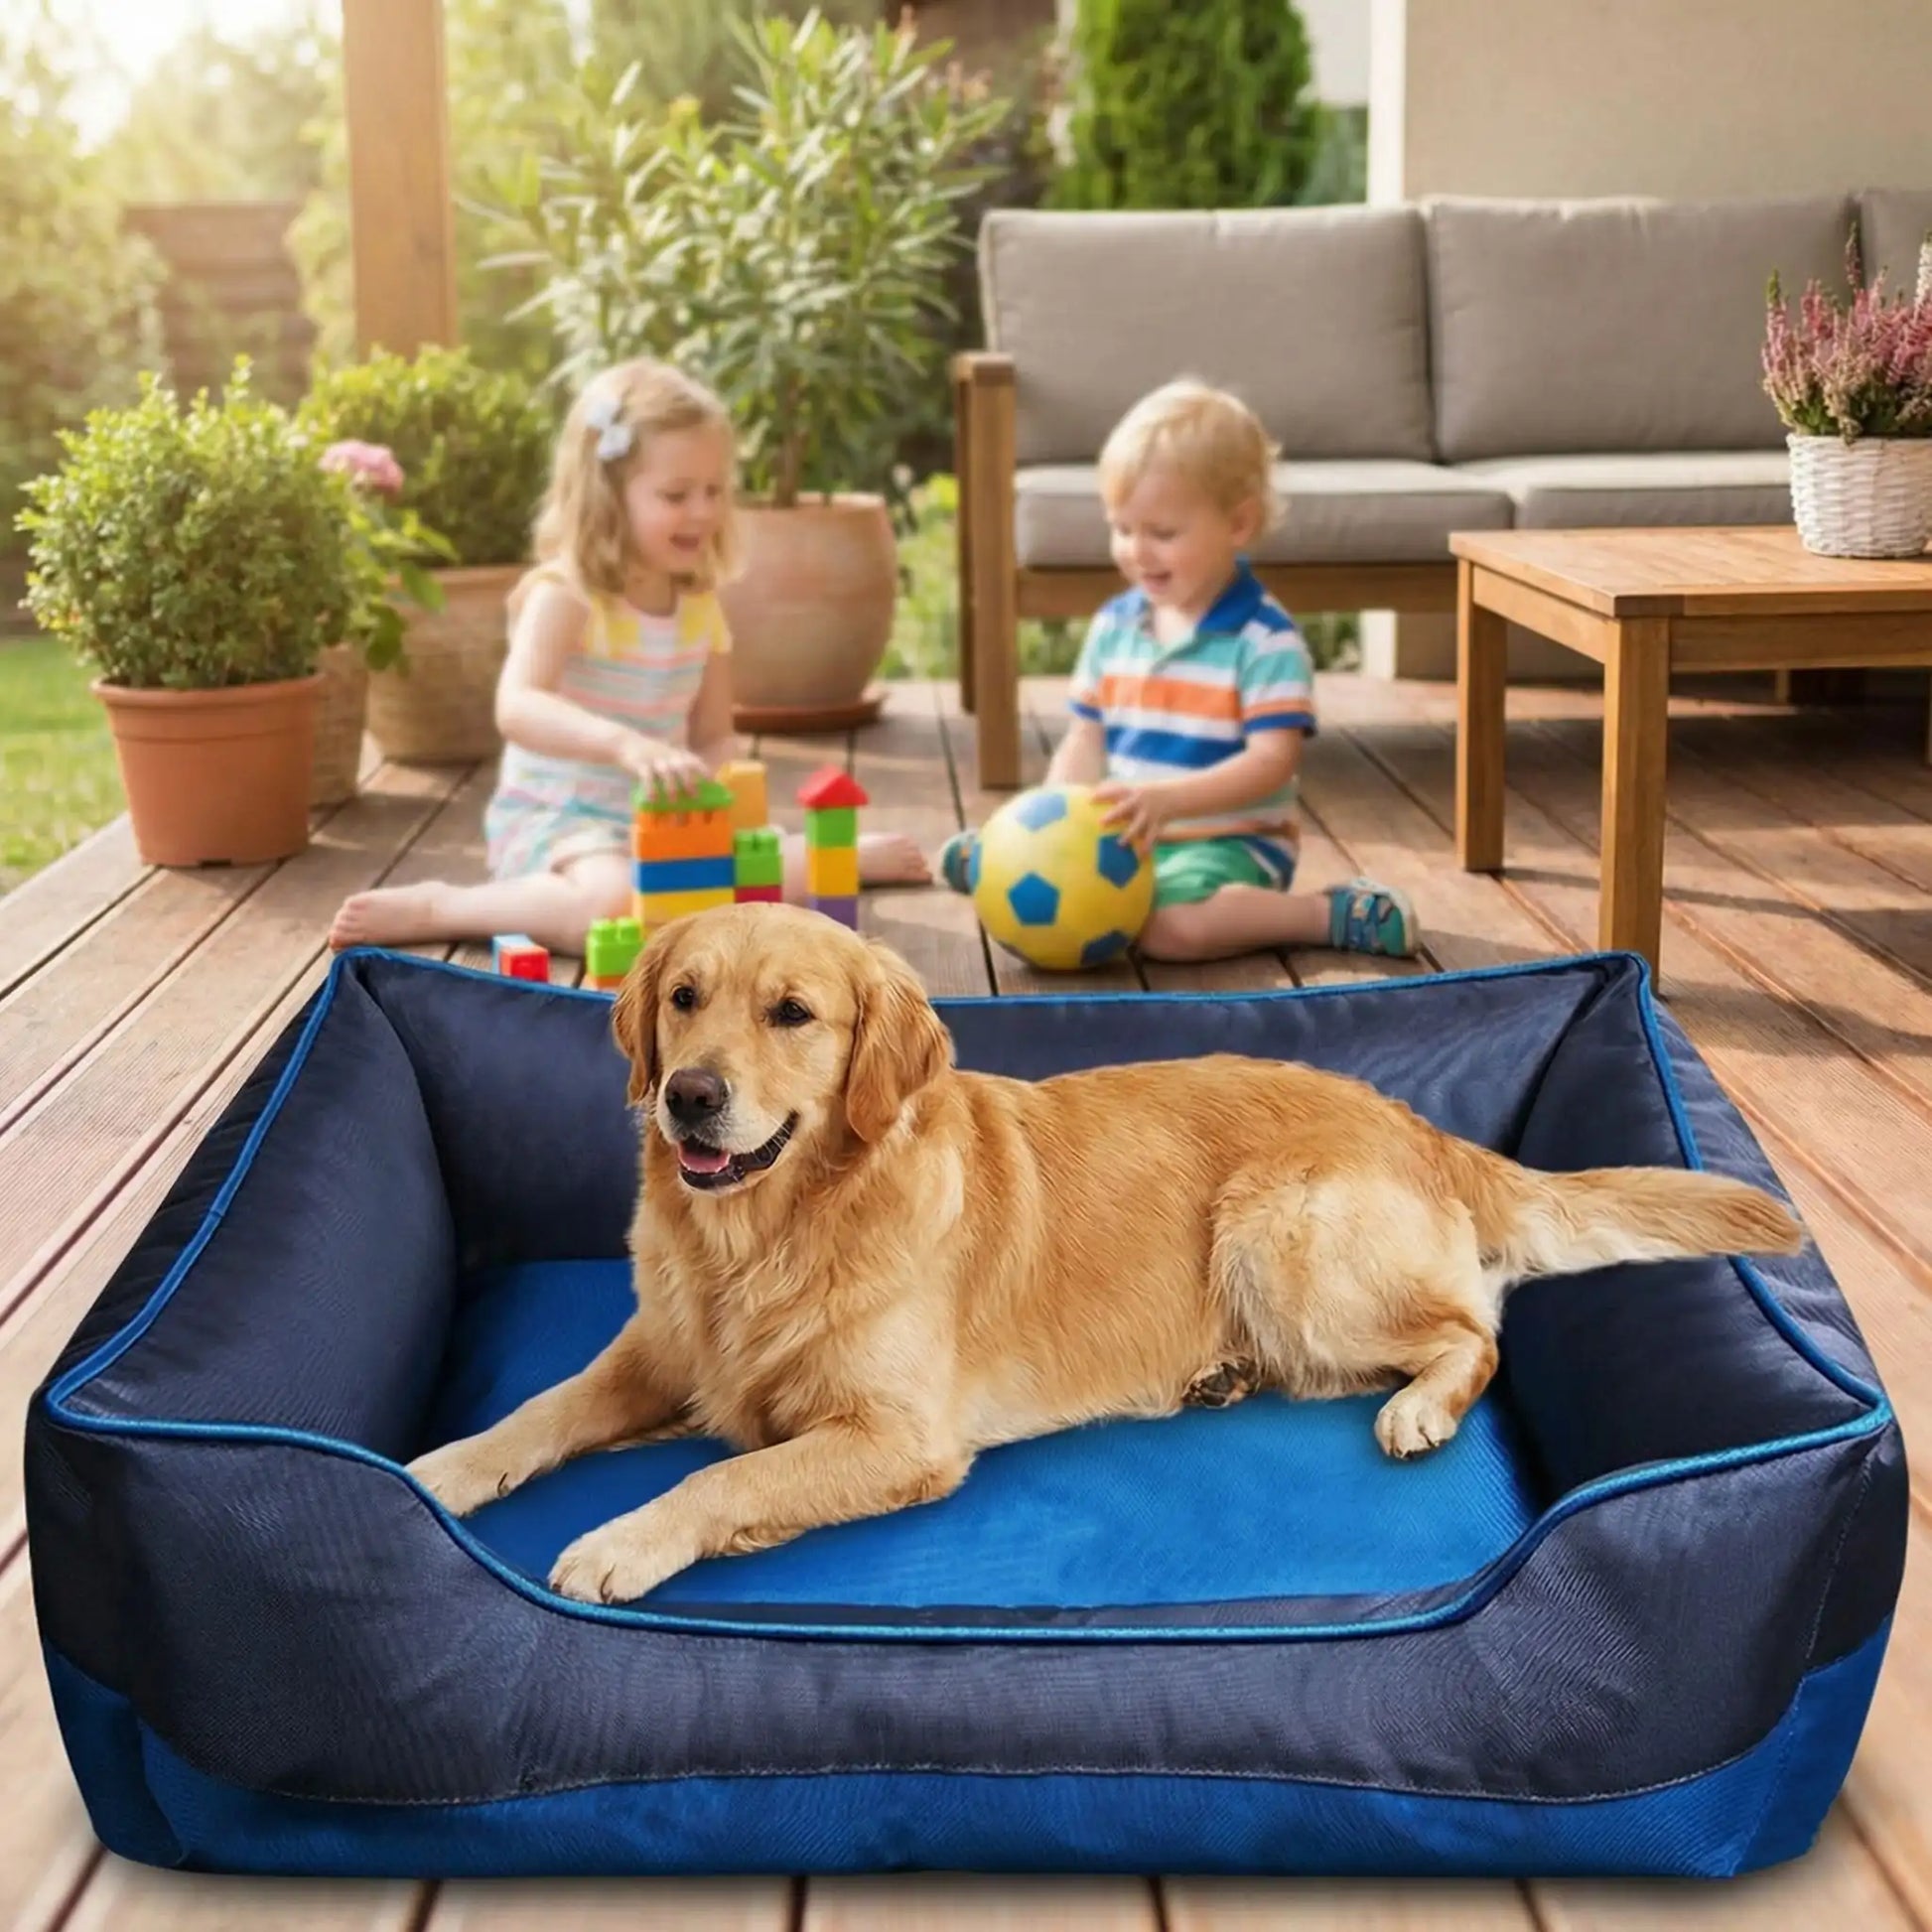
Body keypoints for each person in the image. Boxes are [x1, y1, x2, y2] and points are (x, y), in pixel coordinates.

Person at [329, 358, 928, 955]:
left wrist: (714, 790)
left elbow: (716, 735)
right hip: (566, 821)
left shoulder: (698, 604)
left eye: (714, 490)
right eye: (676, 494)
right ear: (607, 498)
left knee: (753, 877)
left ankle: (836, 858)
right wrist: (625, 745)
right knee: (616, 907)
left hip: (666, 826)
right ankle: (445, 906)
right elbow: (518, 705)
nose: (702, 510)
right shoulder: (567, 596)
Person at [940, 378, 1418, 963]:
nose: (1136, 552)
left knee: (1168, 931)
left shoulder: (1264, 638)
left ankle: (1327, 913)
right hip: (1123, 841)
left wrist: (1166, 801)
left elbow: (1273, 764)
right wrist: (1051, 822)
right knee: (1071, 888)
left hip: (1227, 844)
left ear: (1237, 525)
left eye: (1162, 534)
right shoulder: (1116, 626)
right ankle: (1004, 857)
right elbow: (1086, 736)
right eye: (1122, 529)